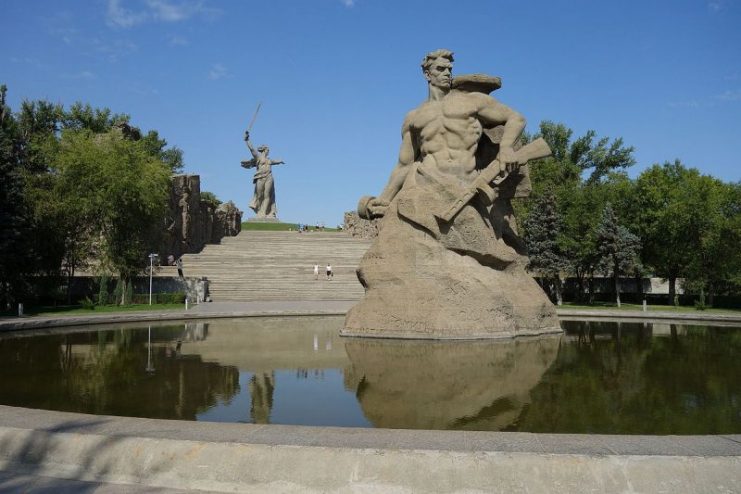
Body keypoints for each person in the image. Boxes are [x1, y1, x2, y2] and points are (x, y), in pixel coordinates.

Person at [362, 49, 526, 264]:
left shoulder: (472, 102)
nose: (446, 73)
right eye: (440, 69)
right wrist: (384, 199)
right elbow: (404, 165)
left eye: (449, 69)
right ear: (427, 74)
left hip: (465, 187)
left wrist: (506, 148)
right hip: (425, 186)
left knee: (483, 248)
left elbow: (516, 118)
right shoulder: (414, 117)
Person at [241, 131, 284, 218]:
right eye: (268, 150)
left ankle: (264, 212)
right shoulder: (258, 157)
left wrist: (280, 161)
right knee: (259, 195)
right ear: (264, 150)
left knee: (267, 195)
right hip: (260, 177)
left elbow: (275, 161)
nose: (268, 152)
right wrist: (247, 140)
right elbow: (252, 149)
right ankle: (259, 211)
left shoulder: (269, 160)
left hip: (269, 177)